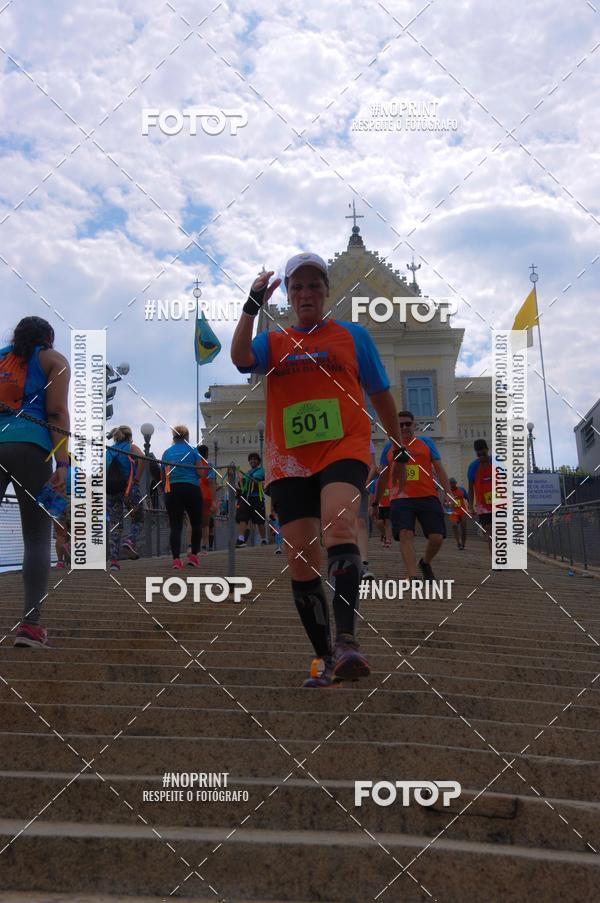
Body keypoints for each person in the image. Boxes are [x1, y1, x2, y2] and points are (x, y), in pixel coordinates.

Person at [231, 251, 406, 688]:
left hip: (343, 446)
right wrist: (252, 306)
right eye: (297, 287)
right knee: (300, 558)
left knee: (339, 525)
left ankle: (348, 640)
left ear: (327, 291)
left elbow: (381, 393)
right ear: (288, 295)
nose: (306, 293)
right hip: (288, 459)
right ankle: (325, 657)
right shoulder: (271, 342)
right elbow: (237, 358)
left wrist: (398, 445)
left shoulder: (352, 337)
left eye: (314, 285)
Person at [0, 316, 70, 647]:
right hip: (33, 447)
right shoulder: (54, 360)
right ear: (48, 338)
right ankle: (30, 626)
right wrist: (62, 463)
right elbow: (56, 411)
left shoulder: (1, 357)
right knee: (37, 537)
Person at [384, 411, 451, 583]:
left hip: (427, 494)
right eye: (401, 425)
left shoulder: (426, 442)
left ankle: (425, 563)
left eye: (408, 424)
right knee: (405, 533)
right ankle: (412, 575)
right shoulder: (389, 446)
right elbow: (384, 474)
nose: (405, 427)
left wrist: (448, 493)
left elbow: (439, 468)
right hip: (400, 498)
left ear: (414, 425)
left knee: (436, 537)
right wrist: (376, 501)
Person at [161, 425, 203, 569]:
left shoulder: (167, 453)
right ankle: (193, 557)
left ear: (173, 437)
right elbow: (200, 473)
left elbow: (163, 476)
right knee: (196, 523)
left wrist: (166, 490)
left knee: (175, 526)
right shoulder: (193, 451)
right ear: (187, 437)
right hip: (192, 488)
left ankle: (176, 560)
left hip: (173, 489)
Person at [106, 425, 145, 571]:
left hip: (110, 491)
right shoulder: (130, 447)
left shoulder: (108, 451)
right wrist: (136, 478)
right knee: (138, 518)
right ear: (129, 436)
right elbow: (143, 459)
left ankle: (114, 562)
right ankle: (129, 541)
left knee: (115, 525)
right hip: (128, 489)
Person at [236, 452, 267, 546]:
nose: (252, 461)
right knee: (243, 518)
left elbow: (253, 480)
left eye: (254, 459)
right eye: (251, 459)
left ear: (258, 461)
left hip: (257, 498)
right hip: (246, 498)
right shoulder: (248, 472)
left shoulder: (261, 470)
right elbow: (243, 484)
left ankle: (263, 539)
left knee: (260, 520)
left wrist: (243, 480)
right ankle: (241, 539)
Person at [357, 442, 377, 581]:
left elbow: (372, 466)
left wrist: (365, 483)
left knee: (361, 522)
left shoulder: (366, 439)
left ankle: (363, 564)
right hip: (336, 484)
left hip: (359, 484)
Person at [468, 438, 493, 547]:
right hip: (482, 507)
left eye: (483, 451)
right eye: (478, 452)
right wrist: (470, 505)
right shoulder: (473, 467)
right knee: (489, 531)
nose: (481, 454)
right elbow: (470, 488)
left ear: (487, 450)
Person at [447, 477, 468, 550]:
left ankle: (463, 544)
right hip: (453, 512)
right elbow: (445, 502)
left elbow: (467, 497)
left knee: (463, 527)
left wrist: (471, 508)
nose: (452, 485)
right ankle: (458, 542)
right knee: (454, 525)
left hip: (462, 510)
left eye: (453, 483)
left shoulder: (461, 489)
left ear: (456, 483)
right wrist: (449, 503)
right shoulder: (448, 492)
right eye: (450, 484)